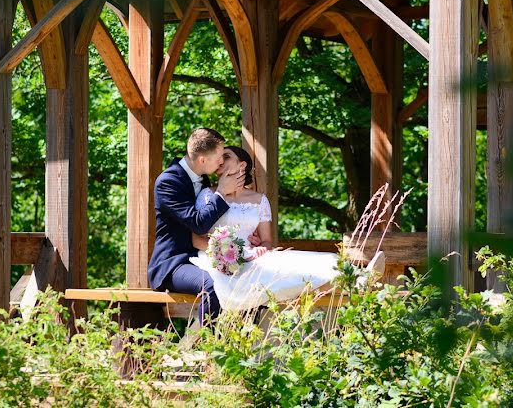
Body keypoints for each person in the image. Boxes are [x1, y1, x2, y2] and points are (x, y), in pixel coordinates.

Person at [189, 146, 385, 311]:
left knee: (298, 259)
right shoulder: (207, 195)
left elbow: (267, 241)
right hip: (217, 259)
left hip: (252, 256)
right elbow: (196, 238)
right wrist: (223, 254)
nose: (220, 160)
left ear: (242, 165)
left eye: (226, 156)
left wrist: (260, 248)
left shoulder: (259, 200)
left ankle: (357, 277)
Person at [147, 128, 246, 324]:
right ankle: (209, 349)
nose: (221, 162)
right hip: (175, 263)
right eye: (219, 156)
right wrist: (222, 193)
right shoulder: (168, 182)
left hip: (204, 257)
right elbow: (198, 224)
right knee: (211, 285)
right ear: (202, 160)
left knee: (246, 278)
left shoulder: (204, 180)